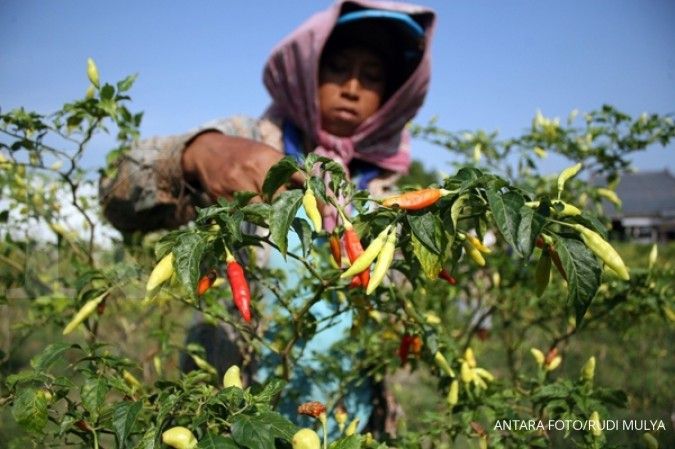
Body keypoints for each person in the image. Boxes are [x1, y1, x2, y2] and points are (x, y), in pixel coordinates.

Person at [99, 0, 435, 437]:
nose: (352, 87)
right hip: (236, 420)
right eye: (337, 69)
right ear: (308, 73)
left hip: (346, 423)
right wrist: (198, 153)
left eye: (372, 77)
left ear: (390, 96)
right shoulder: (251, 142)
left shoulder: (389, 193)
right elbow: (116, 195)